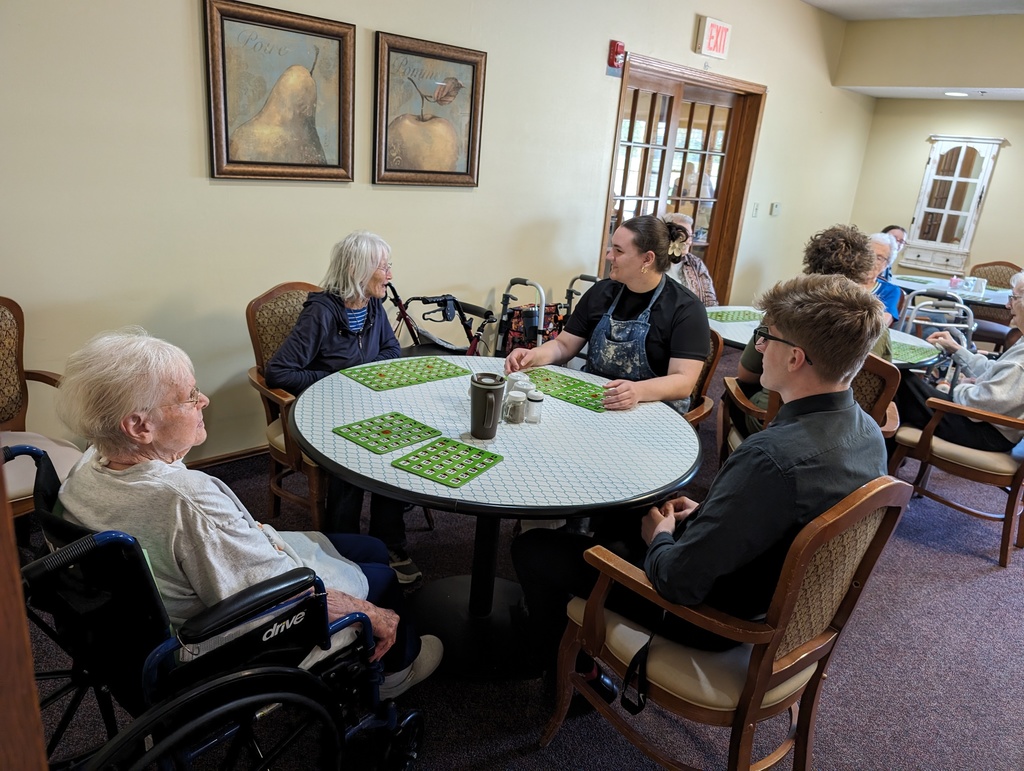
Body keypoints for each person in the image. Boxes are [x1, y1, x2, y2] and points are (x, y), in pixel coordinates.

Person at [511, 273, 888, 678]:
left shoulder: (769, 458)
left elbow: (676, 582)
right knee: (626, 514)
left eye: (767, 337)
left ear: (795, 358)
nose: (759, 346)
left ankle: (548, 665)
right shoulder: (868, 433)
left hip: (713, 619)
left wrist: (662, 538)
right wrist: (710, 512)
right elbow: (780, 517)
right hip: (764, 591)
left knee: (535, 549)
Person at [54, 328, 442, 697]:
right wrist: (371, 611)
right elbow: (275, 599)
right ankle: (397, 671)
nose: (203, 400)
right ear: (139, 426)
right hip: (228, 634)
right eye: (189, 396)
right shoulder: (186, 500)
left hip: (146, 617)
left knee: (369, 546)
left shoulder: (87, 464)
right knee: (383, 579)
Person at [265, 231, 421, 585]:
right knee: (351, 460)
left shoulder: (372, 307)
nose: (390, 275)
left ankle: (389, 543)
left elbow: (391, 352)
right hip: (323, 410)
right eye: (384, 267)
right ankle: (342, 550)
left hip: (367, 405)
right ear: (357, 269)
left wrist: (359, 379)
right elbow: (279, 370)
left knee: (396, 453)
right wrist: (336, 378)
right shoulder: (320, 313)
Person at [505, 215, 710, 415]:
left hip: (654, 410)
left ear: (647, 259)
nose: (609, 256)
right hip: (598, 401)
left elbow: (683, 381)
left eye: (619, 251)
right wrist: (534, 355)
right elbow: (564, 345)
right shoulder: (601, 292)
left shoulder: (686, 308)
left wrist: (638, 391)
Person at [734, 224, 892, 436]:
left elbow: (747, 373)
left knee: (733, 393)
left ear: (812, 262)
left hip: (778, 419)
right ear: (864, 268)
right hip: (849, 429)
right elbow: (883, 384)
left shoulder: (781, 312)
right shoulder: (874, 321)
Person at [893, 271, 1024, 452]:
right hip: (985, 422)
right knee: (903, 384)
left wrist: (960, 386)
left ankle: (883, 461)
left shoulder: (1021, 361)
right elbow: (995, 372)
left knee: (897, 379)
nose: (1007, 304)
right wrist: (957, 349)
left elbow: (978, 402)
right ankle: (889, 457)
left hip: (985, 432)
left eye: (1013, 298)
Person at [663, 212, 718, 307]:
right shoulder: (654, 261)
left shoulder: (696, 263)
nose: (689, 241)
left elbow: (710, 301)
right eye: (682, 235)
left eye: (691, 236)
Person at [869, 232, 903, 326]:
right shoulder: (844, 281)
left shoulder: (889, 290)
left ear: (886, 265)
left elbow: (882, 323)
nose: (871, 261)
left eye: (879, 258)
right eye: (869, 254)